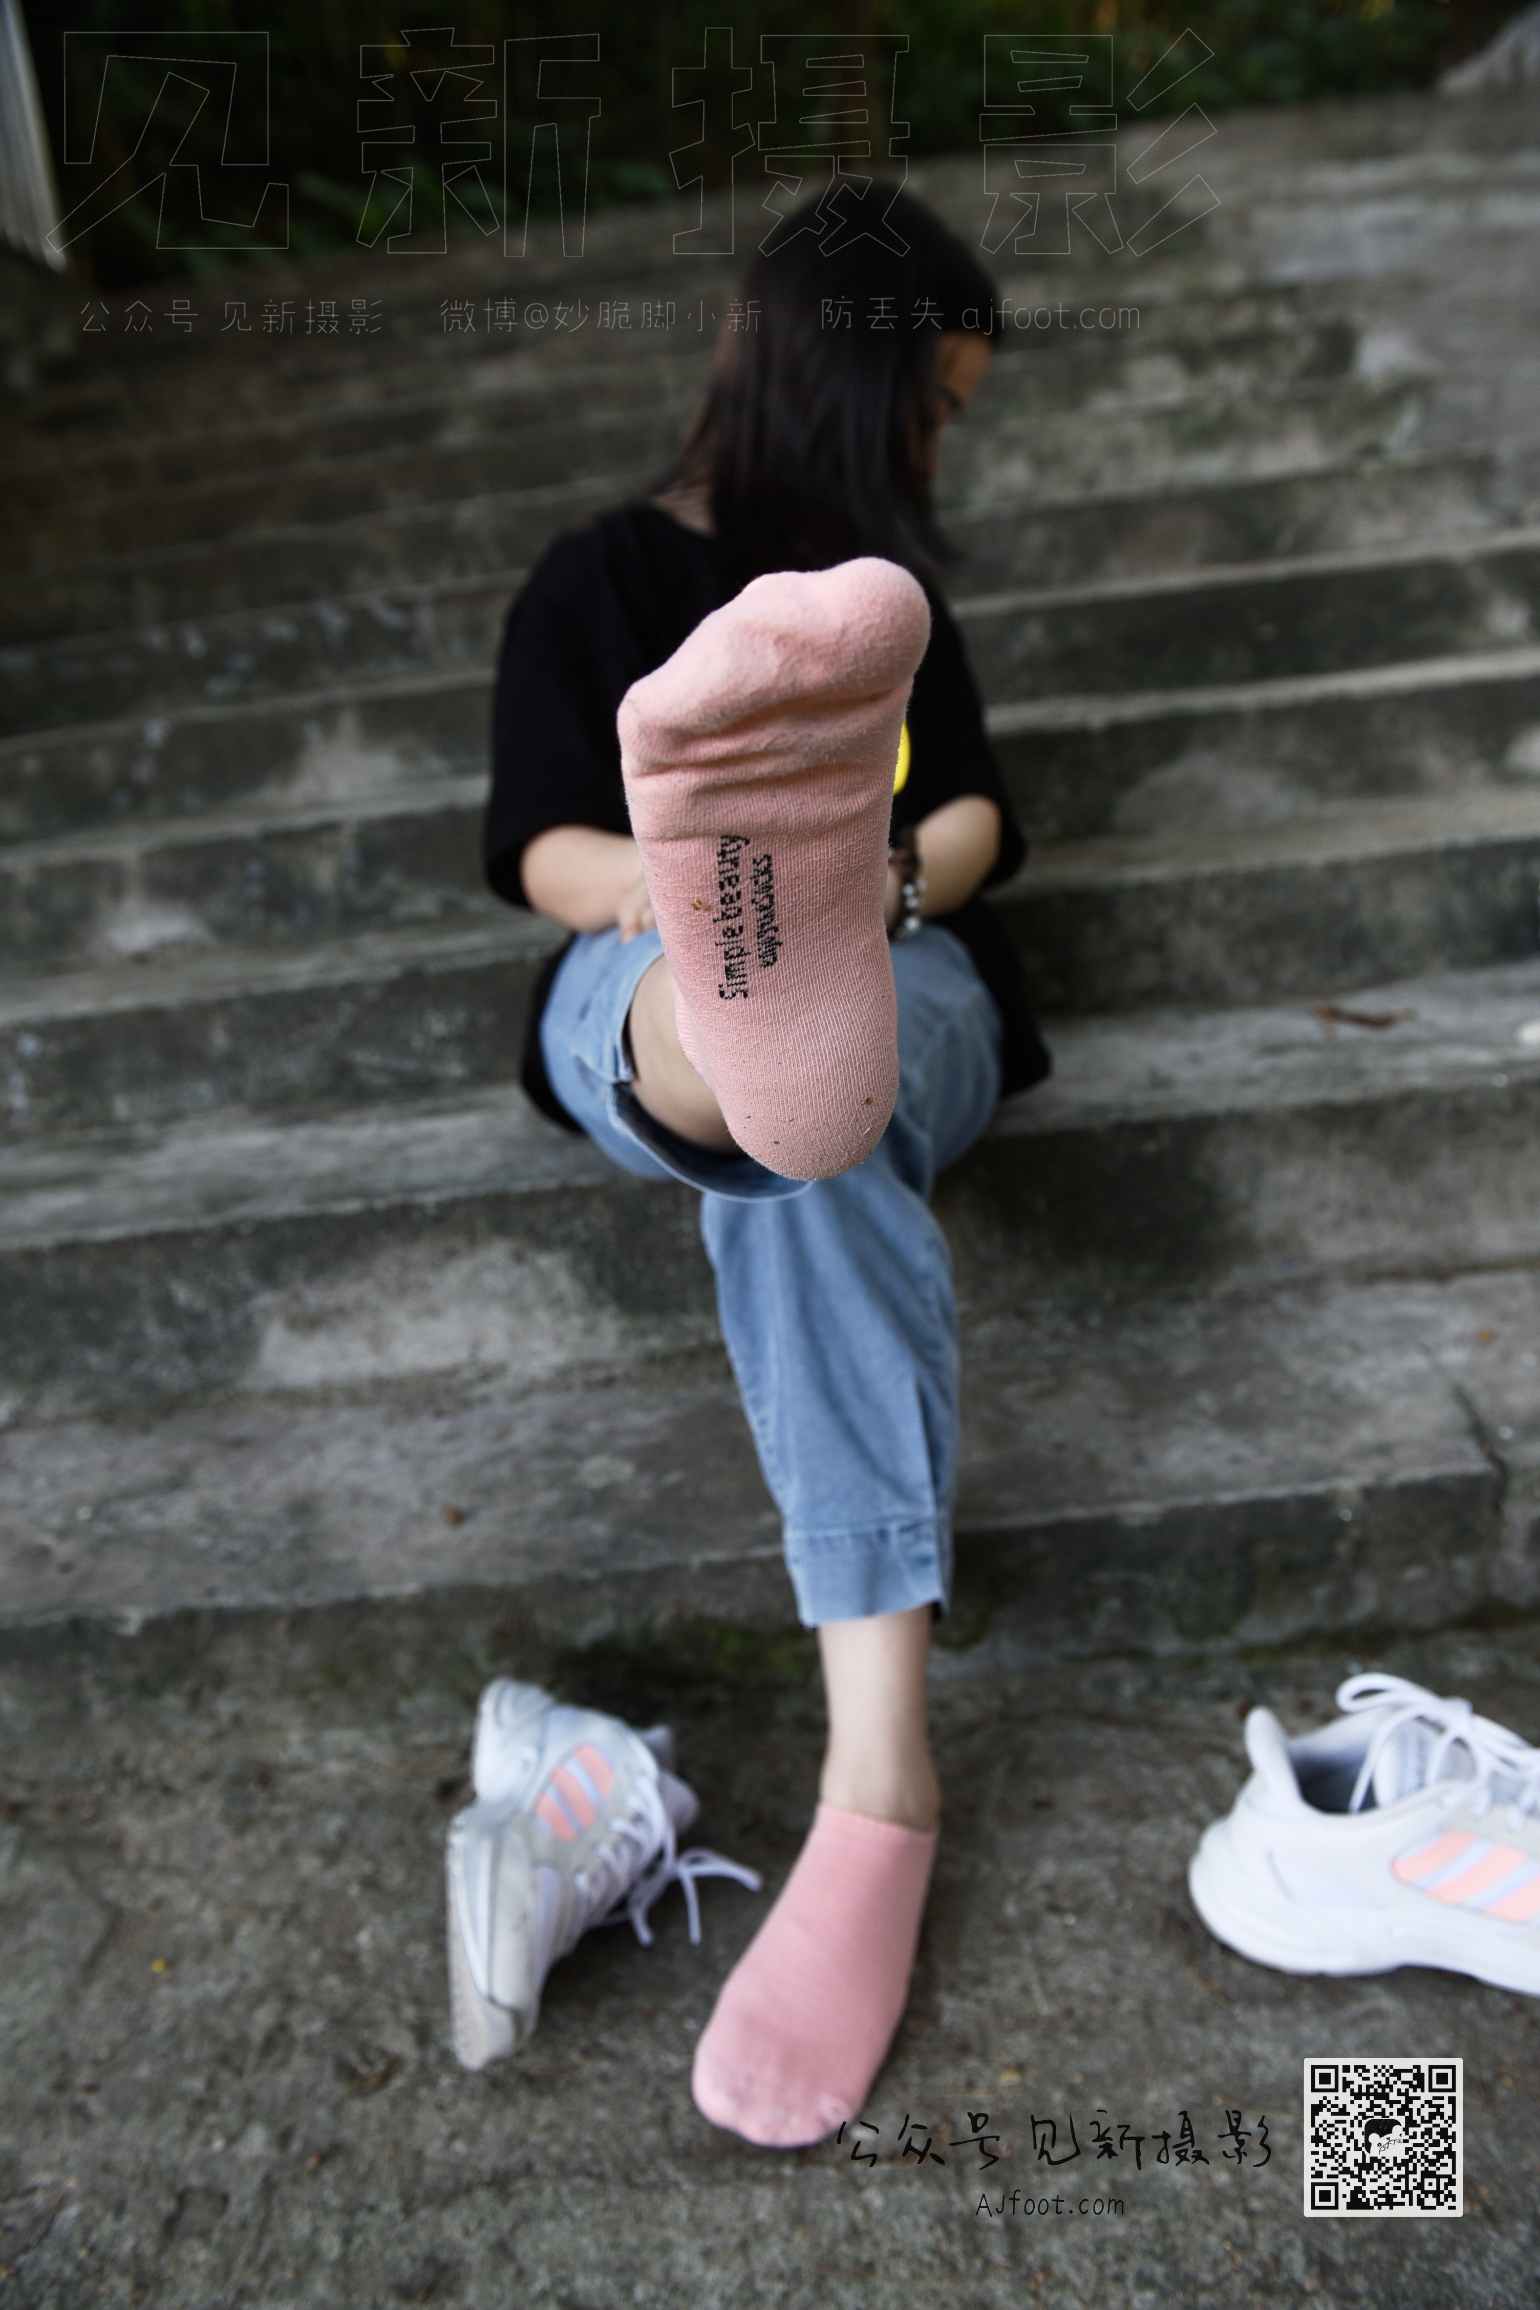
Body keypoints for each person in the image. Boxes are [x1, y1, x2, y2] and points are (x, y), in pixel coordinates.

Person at [457, 180, 1053, 2150]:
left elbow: (970, 818)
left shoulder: (886, 606)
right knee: (750, 1058)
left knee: (835, 1084)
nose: (938, 446)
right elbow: (542, 844)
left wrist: (871, 888)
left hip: (906, 954)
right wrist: (676, 895)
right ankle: (741, 989)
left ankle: (777, 984)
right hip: (638, 953)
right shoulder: (598, 580)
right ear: (851, 376)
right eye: (934, 405)